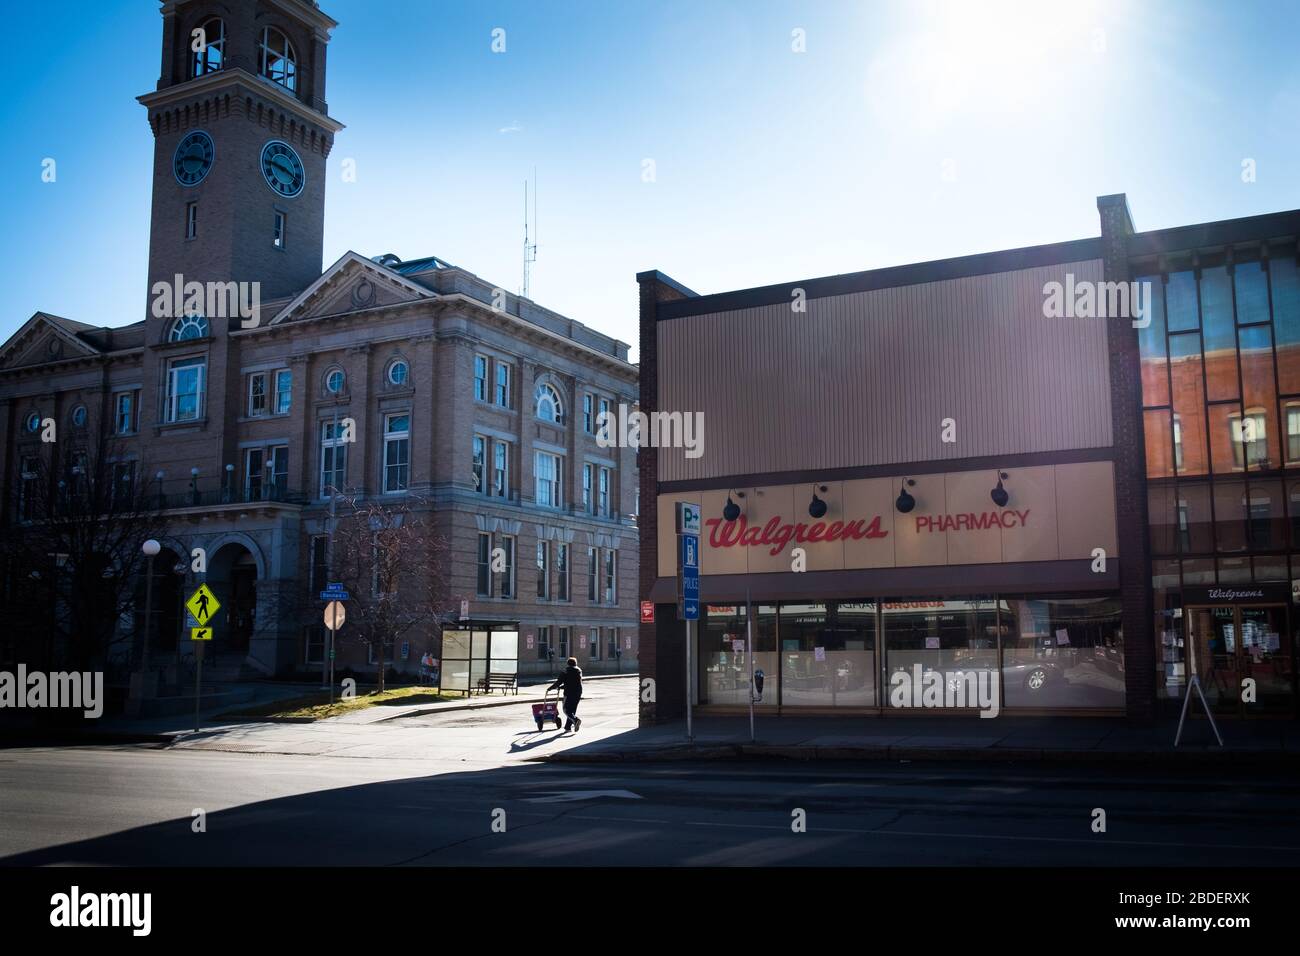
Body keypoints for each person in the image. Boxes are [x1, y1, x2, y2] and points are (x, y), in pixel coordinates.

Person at [549, 656, 583, 732]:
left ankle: (575, 719)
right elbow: (573, 682)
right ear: (575, 663)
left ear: (568, 663)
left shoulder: (565, 671)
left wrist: (551, 688)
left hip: (569, 693)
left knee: (566, 709)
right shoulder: (579, 670)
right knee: (572, 709)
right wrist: (562, 687)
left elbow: (559, 682)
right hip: (578, 692)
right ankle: (568, 727)